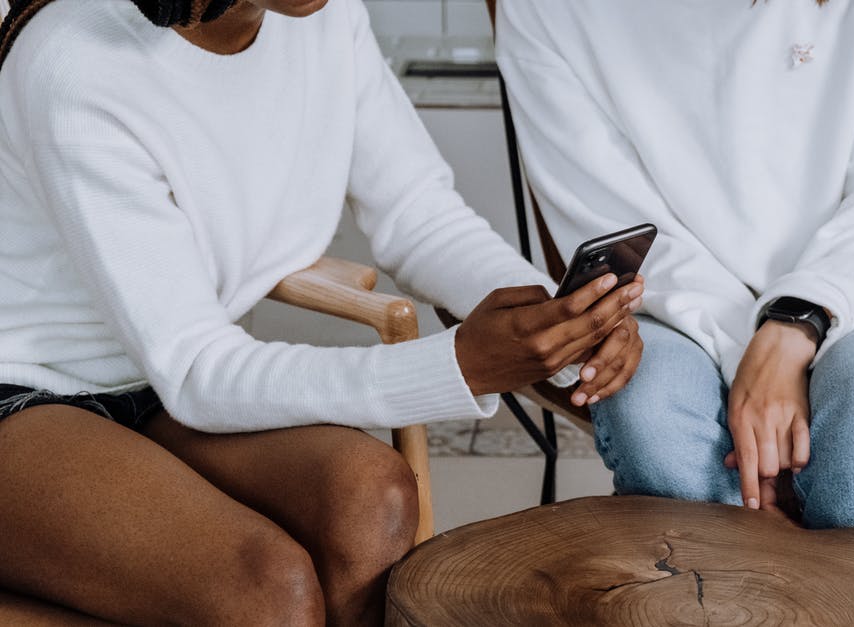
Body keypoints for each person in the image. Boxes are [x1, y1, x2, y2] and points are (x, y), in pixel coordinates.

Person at [0, 0, 644, 624]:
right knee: (266, 593)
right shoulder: (75, 61)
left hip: (161, 386)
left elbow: (419, 213)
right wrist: (459, 364)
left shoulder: (325, 18)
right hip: (32, 398)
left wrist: (558, 316)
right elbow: (198, 370)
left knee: (372, 502)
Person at [496, 0, 854, 544]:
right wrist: (752, 365)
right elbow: (622, 228)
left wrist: (796, 325)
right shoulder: (546, 10)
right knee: (653, 411)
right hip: (671, 304)